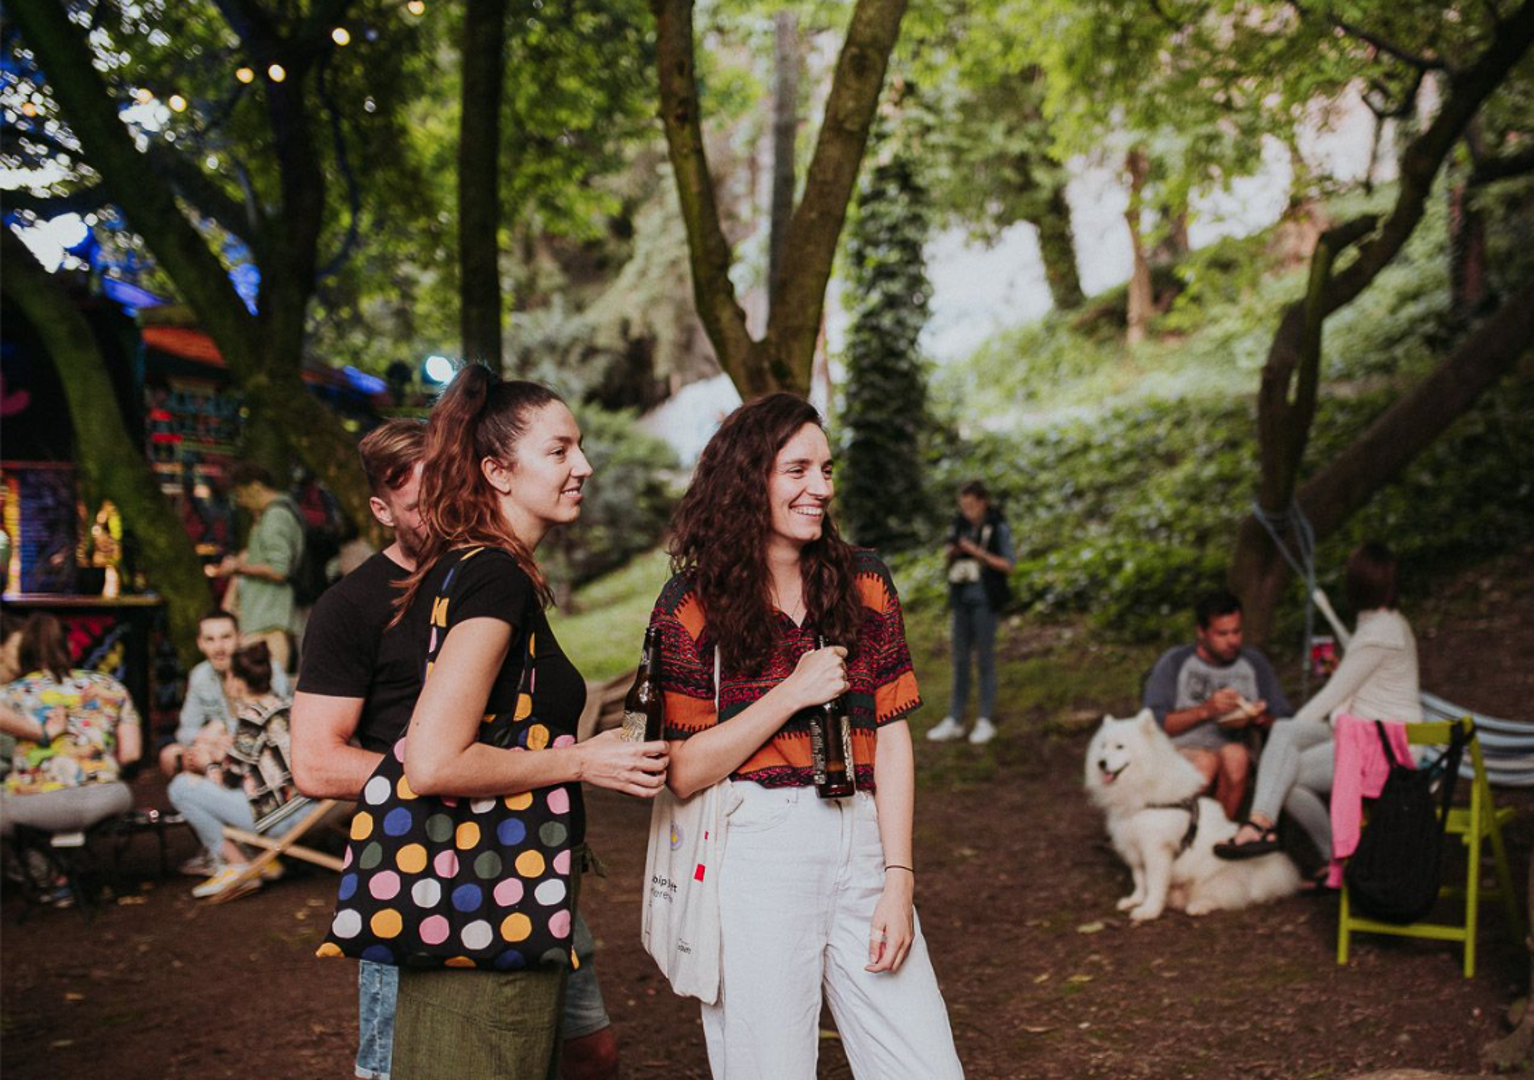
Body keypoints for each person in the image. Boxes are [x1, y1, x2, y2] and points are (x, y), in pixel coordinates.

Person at [293, 419, 624, 1080]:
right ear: (381, 511)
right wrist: (451, 772)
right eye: (421, 505)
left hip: (528, 857)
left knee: (588, 1053)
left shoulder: (487, 578)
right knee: (402, 1065)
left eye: (451, 491)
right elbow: (315, 762)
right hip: (426, 870)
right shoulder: (350, 607)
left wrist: (497, 773)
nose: (443, 512)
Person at [648, 393, 964, 1080]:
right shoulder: (690, 606)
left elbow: (893, 735)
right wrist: (792, 692)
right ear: (747, 479)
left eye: (825, 469)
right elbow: (683, 769)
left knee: (925, 1067)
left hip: (864, 838)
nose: (819, 487)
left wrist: (899, 880)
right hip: (756, 852)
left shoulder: (863, 581)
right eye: (797, 470)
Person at [391, 366, 667, 1080]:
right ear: (498, 472)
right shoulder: (494, 578)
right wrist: (582, 760)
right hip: (489, 901)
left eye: (580, 447)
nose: (584, 466)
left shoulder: (473, 568)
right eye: (559, 450)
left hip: (494, 897)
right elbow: (433, 760)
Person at [1216, 542, 1421, 864]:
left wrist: (1282, 732)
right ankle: (1310, 848)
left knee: (1284, 757)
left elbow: (1328, 700)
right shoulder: (1383, 622)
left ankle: (1266, 828)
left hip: (1386, 746)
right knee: (1285, 761)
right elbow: (1367, 680)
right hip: (1366, 732)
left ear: (1356, 583)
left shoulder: (1379, 632)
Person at [1142, 590, 1291, 820]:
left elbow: (1285, 721)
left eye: (1237, 632)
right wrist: (1206, 710)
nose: (1232, 641)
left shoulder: (1253, 663)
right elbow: (1156, 724)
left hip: (1233, 745)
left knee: (1236, 758)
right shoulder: (1176, 662)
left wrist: (1258, 718)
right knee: (1205, 763)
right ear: (1201, 632)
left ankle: (1217, 833)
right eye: (1222, 634)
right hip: (1181, 748)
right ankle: (1181, 832)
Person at [167, 640, 294, 899]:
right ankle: (262, 859)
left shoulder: (252, 718)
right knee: (214, 790)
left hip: (280, 816)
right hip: (306, 805)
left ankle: (237, 865)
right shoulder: (285, 708)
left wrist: (209, 763)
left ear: (235, 682)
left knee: (181, 788)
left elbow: (229, 779)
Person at [0, 613, 143, 840]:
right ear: (72, 648)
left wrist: (41, 733)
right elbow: (131, 754)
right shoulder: (109, 685)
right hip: (105, 798)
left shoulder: (12, 692)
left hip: (34, 803)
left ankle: (35, 859)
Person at [927, 480, 1014, 746]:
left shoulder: (997, 527)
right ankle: (955, 719)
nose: (967, 511)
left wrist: (976, 552)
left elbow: (1008, 565)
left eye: (971, 505)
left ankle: (985, 719)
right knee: (960, 660)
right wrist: (954, 551)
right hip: (961, 599)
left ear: (983, 502)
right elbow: (947, 555)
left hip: (985, 600)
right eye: (963, 506)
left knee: (985, 659)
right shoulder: (959, 526)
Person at [210, 462, 305, 673]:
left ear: (255, 487)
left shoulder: (276, 516)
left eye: (240, 494)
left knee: (268, 682)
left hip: (270, 618)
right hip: (262, 616)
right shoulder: (271, 515)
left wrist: (238, 567)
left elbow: (279, 570)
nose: (240, 502)